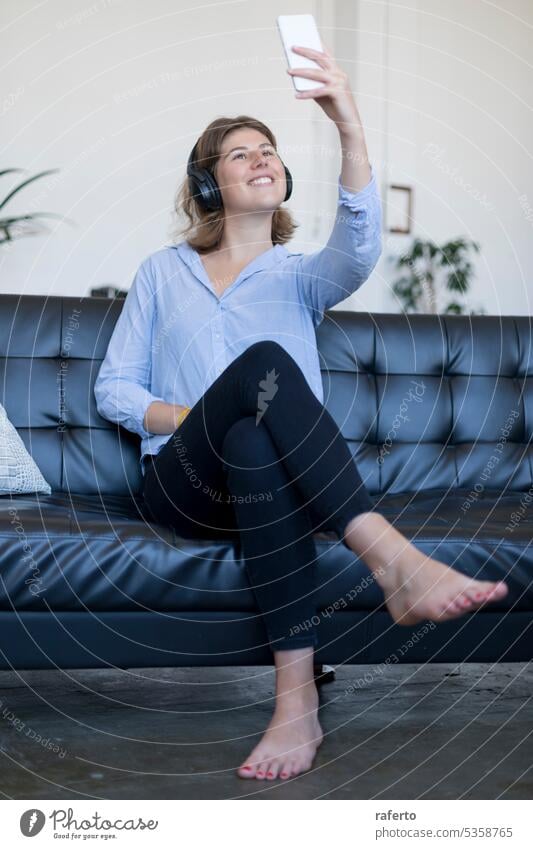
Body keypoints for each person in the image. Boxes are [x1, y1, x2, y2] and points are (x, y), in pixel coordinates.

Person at [94, 43, 509, 782]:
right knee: (262, 368)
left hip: (277, 485)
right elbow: (114, 389)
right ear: (207, 183)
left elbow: (357, 248)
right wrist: (192, 416)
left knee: (255, 437)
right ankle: (391, 557)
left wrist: (348, 125)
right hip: (182, 483)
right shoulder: (162, 273)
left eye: (269, 150)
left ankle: (295, 705)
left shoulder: (303, 276)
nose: (259, 159)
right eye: (237, 153)